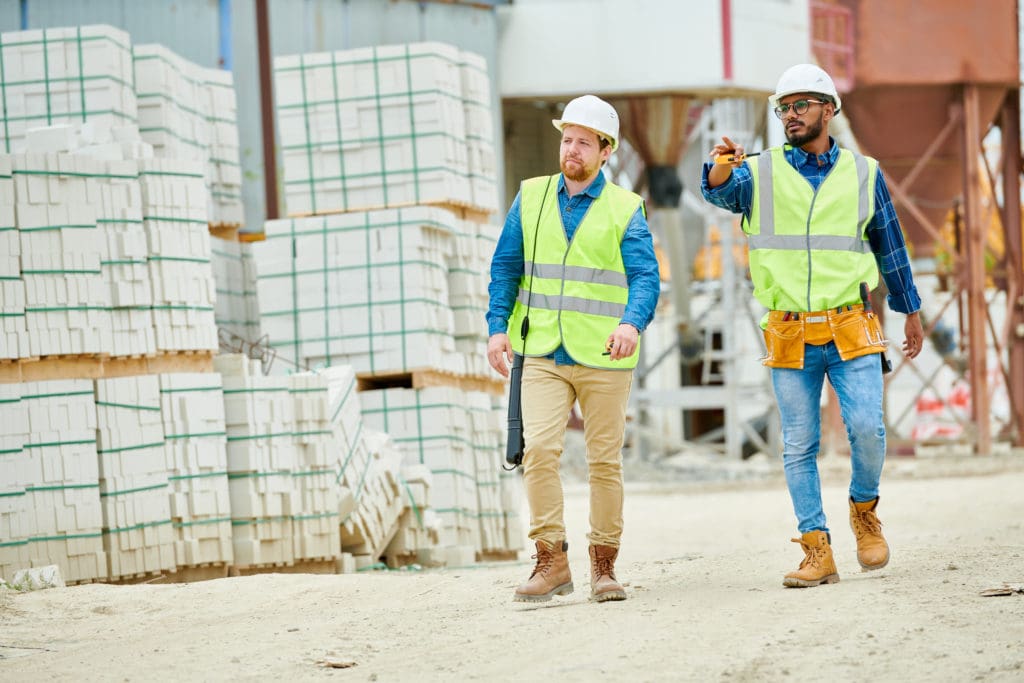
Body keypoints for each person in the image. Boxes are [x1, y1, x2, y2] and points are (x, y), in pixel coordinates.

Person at [700, 64, 925, 588]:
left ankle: (864, 513)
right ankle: (816, 549)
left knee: (867, 429)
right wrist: (715, 170)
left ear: (829, 109)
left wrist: (910, 310)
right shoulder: (758, 172)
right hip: (789, 330)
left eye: (801, 105)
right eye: (784, 107)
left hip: (851, 323)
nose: (790, 115)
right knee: (798, 444)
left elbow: (890, 246)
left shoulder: (865, 173)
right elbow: (721, 192)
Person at [486, 95, 661, 603]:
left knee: (603, 462)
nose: (572, 149)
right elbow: (505, 267)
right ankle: (551, 560)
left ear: (605, 151)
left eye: (584, 142)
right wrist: (498, 328)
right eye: (567, 139)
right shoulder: (532, 197)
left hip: (605, 355)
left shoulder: (625, 208)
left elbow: (646, 277)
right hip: (540, 349)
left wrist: (631, 323)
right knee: (538, 451)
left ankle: (603, 566)